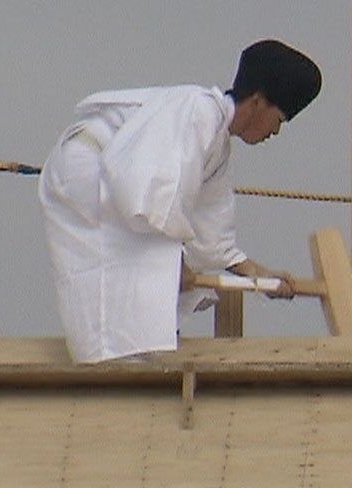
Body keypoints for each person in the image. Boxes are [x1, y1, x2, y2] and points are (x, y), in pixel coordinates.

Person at [38, 40, 321, 363]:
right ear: (257, 102)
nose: (276, 132)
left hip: (105, 180)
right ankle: (121, 356)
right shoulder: (198, 111)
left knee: (145, 270)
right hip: (88, 169)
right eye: (279, 120)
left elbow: (211, 229)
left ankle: (127, 352)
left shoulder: (216, 144)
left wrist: (259, 275)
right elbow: (145, 191)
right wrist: (178, 266)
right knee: (135, 268)